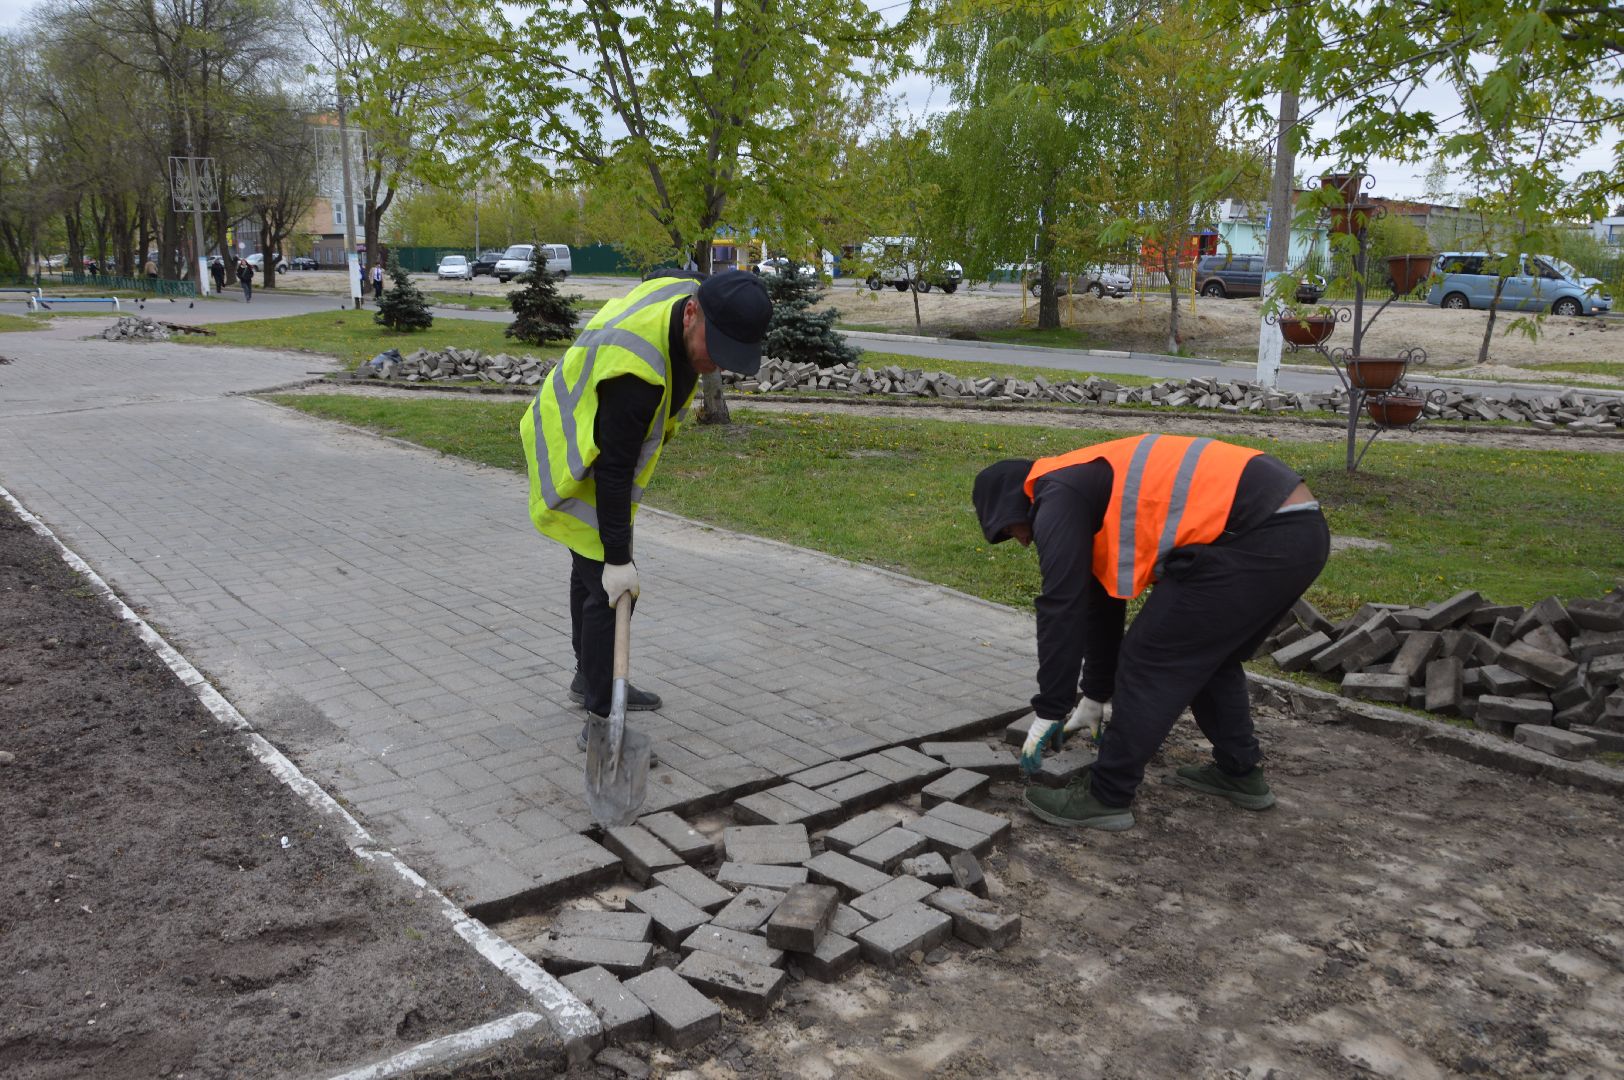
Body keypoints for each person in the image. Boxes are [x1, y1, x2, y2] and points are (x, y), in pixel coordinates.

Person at [972, 434, 1330, 831]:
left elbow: (1061, 607)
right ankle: (1239, 772)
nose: (1021, 540)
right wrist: (1094, 694)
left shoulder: (1057, 494)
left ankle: (1105, 796)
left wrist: (1050, 709)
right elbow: (1100, 605)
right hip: (1297, 532)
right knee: (1206, 655)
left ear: (1013, 500)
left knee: (1149, 659)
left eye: (1009, 530)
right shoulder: (1086, 483)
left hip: (1260, 532)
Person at [520, 270, 772, 752]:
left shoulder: (688, 295)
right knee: (611, 590)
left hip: (596, 435)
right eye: (713, 346)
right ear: (693, 313)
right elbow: (613, 471)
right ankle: (600, 721)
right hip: (576, 447)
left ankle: (588, 680)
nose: (715, 362)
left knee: (592, 571)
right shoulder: (637, 373)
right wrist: (618, 557)